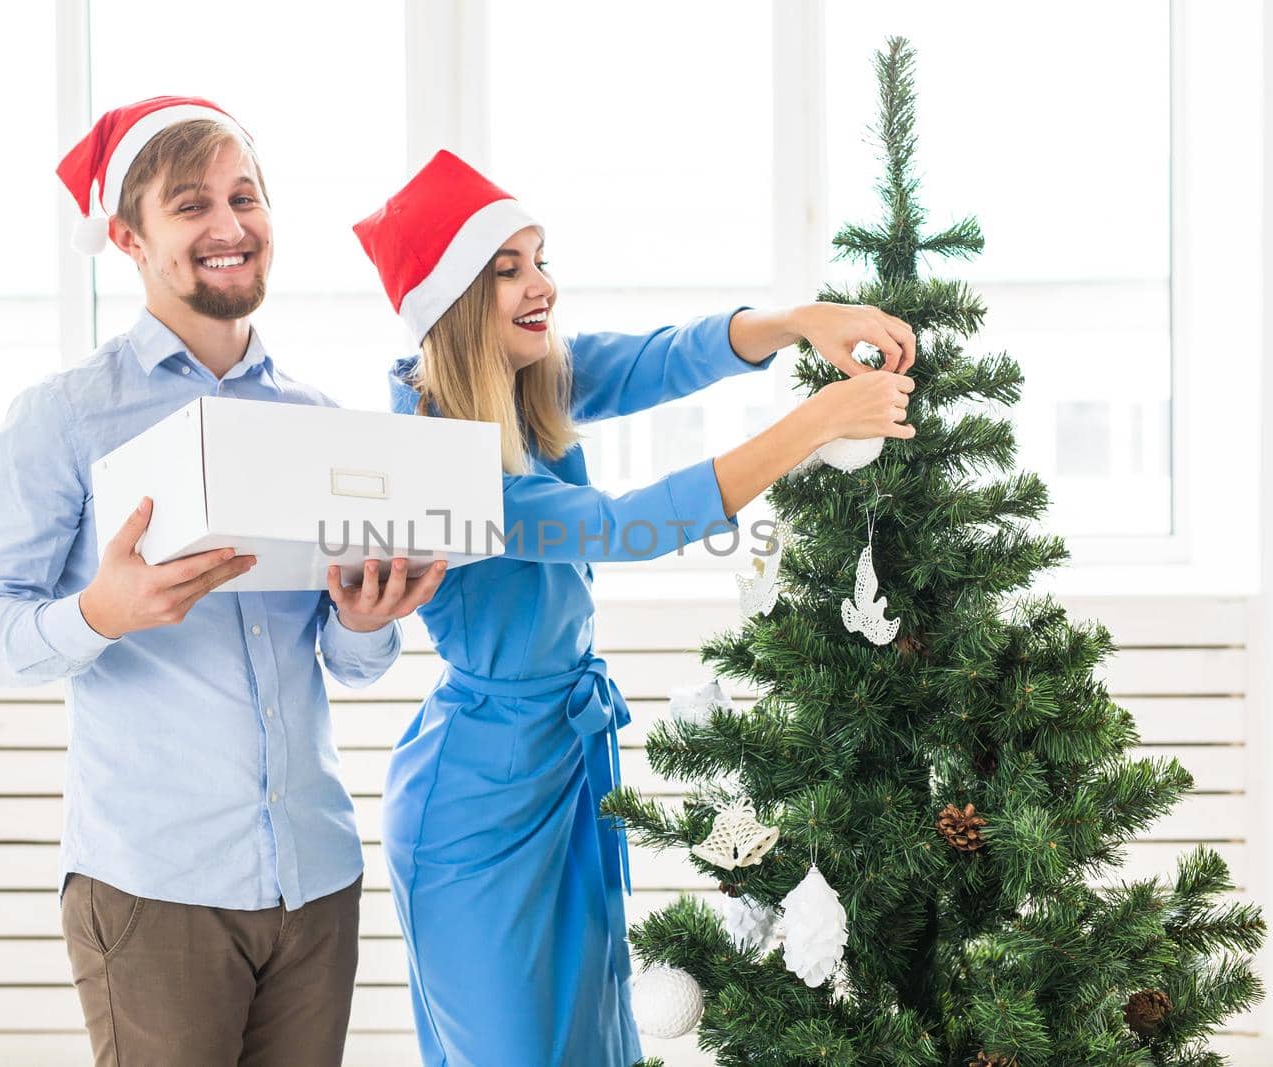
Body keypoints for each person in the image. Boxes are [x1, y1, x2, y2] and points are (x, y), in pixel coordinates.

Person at [351, 150, 916, 1066]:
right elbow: (626, 526)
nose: (542, 287)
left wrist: (800, 321)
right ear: (453, 305)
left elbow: (666, 357)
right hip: (475, 802)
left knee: (588, 1044)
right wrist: (819, 423)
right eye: (507, 271)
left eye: (540, 259)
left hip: (564, 772)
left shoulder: (527, 381)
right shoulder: (437, 457)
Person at [0, 96, 443, 1067]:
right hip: (154, 888)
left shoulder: (319, 419)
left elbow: (349, 662)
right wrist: (100, 612)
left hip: (313, 878)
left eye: (244, 195)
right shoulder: (64, 417)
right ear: (128, 237)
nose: (229, 226)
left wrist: (365, 618)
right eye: (191, 204)